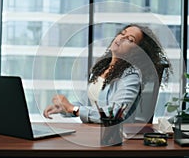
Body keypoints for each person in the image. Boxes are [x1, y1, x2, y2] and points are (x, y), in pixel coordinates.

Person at [43, 24, 171, 123]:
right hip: (96, 133)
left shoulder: (131, 76)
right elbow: (92, 106)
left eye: (130, 40)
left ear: (137, 52)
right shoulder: (103, 68)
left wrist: (73, 109)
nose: (121, 38)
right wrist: (65, 108)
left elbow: (114, 113)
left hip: (116, 140)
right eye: (122, 33)